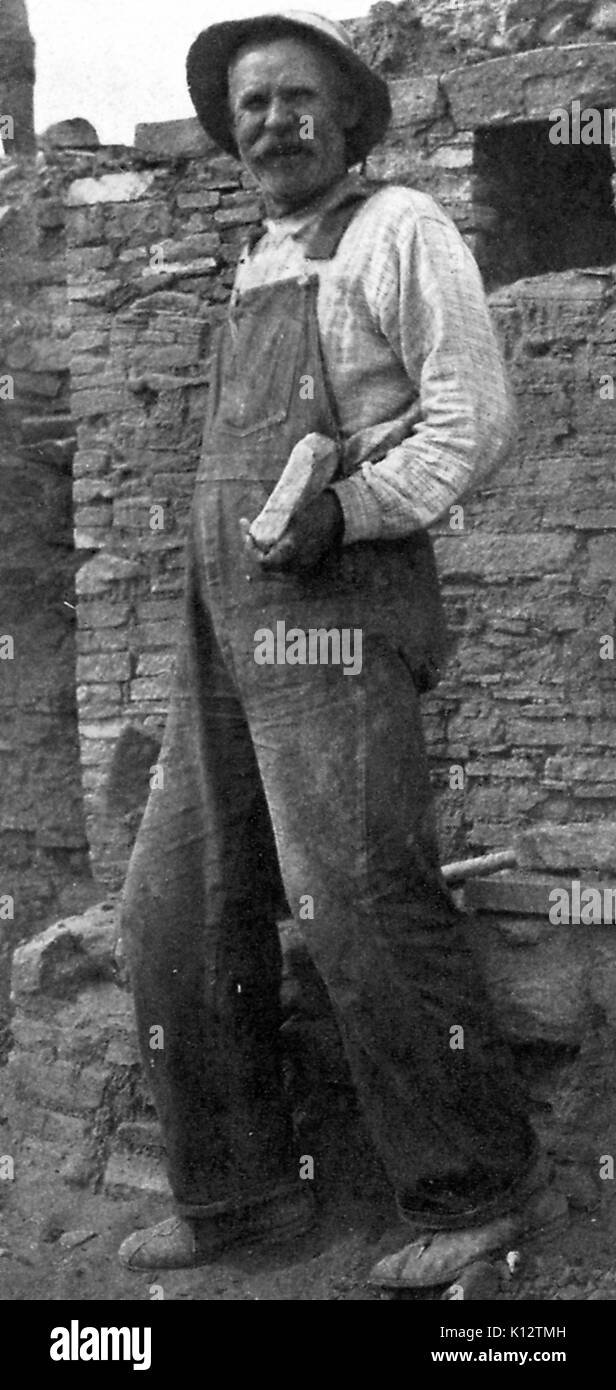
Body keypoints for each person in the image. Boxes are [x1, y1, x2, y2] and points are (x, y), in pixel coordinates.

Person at [118, 11, 547, 1288]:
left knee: (358, 894)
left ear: (348, 117)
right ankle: (244, 1199)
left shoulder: (398, 229)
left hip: (343, 609)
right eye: (249, 105)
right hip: (225, 620)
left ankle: (470, 1188)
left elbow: (474, 419)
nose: (272, 123)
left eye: (298, 99)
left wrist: (348, 508)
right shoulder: (253, 260)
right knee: (173, 908)